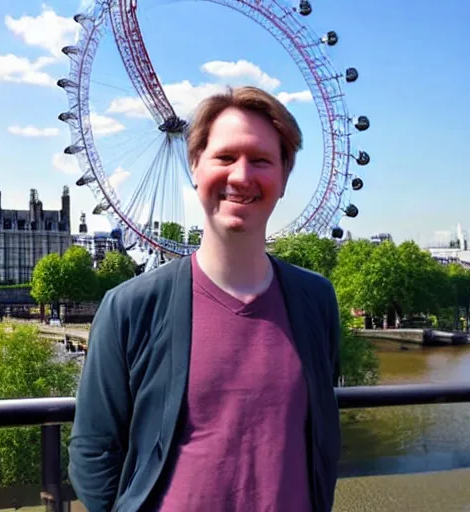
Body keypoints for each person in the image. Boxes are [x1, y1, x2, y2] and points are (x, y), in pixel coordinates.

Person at [68, 86, 341, 512]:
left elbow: (321, 430)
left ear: (285, 177)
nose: (241, 176)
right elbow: (93, 452)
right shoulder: (129, 308)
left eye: (262, 160)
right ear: (194, 166)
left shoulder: (317, 300)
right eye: (226, 157)